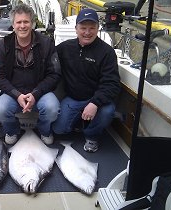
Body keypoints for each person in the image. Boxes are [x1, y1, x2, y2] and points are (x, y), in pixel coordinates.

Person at [0, 4, 61, 145]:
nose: (22, 26)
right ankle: (12, 131)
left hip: (40, 93)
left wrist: (35, 94)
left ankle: (44, 130)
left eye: (26, 22)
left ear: (33, 23)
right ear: (13, 24)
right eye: (19, 22)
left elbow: (54, 74)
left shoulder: (46, 43)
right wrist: (17, 95)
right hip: (13, 94)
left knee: (52, 108)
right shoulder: (3, 45)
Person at [52, 8, 121, 153]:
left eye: (92, 28)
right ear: (76, 28)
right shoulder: (65, 48)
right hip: (73, 99)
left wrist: (95, 103)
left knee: (108, 111)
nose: (87, 32)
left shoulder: (107, 52)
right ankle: (81, 122)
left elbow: (112, 83)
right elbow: (45, 54)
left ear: (98, 28)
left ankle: (92, 135)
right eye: (83, 28)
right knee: (59, 130)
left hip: (97, 101)